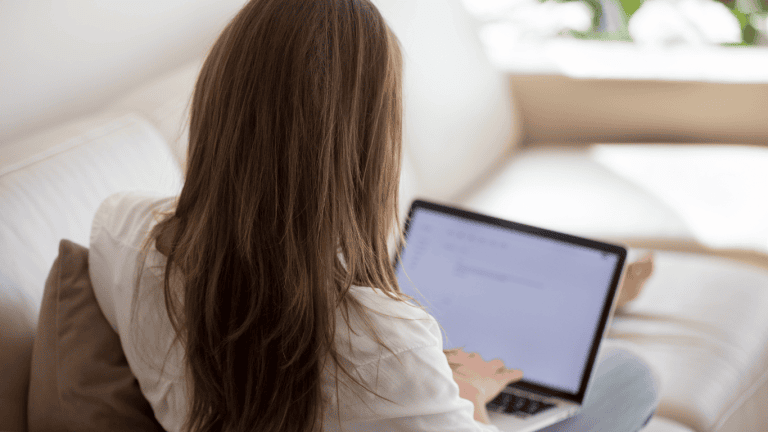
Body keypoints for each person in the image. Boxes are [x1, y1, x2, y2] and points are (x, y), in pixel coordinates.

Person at [88, 0, 658, 431]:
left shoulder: (120, 232)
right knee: (626, 374)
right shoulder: (386, 343)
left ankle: (588, 306)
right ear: (365, 143)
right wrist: (471, 400)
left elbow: (261, 271)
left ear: (220, 102)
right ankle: (580, 314)